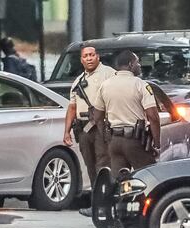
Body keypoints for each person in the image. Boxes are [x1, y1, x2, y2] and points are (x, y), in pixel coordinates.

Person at [91, 50, 161, 180]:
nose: (139, 65)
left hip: (115, 142)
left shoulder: (105, 85)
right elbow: (153, 117)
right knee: (150, 177)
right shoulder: (140, 85)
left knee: (120, 181)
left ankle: (121, 200)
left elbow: (97, 117)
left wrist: (106, 136)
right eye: (137, 62)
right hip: (135, 141)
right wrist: (156, 143)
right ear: (130, 65)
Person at [63, 46, 116, 217]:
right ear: (81, 60)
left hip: (102, 126)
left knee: (103, 166)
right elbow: (72, 107)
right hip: (84, 128)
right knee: (91, 167)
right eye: (85, 56)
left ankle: (107, 204)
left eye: (92, 55)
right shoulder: (78, 81)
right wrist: (66, 132)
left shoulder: (109, 74)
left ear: (98, 56)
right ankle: (96, 204)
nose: (89, 58)